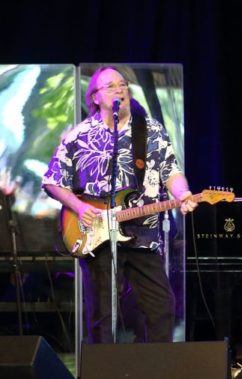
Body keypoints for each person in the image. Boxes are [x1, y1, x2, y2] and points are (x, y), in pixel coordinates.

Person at [42, 66, 197, 343]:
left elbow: (171, 172)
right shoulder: (80, 135)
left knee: (161, 307)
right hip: (97, 235)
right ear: (96, 98)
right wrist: (80, 208)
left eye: (122, 84)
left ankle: (158, 375)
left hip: (144, 235)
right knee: (102, 315)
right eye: (111, 86)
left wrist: (183, 193)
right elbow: (53, 181)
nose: (119, 90)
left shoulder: (150, 130)